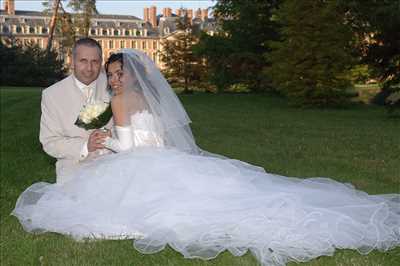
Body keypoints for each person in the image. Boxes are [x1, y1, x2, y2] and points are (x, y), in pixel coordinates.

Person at [12, 49, 400, 266]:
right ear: (73, 62)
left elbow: (128, 147)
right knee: (224, 198)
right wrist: (96, 140)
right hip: (167, 159)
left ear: (127, 74)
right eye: (104, 71)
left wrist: (105, 142)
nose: (107, 76)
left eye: (113, 71)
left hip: (140, 164)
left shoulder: (116, 98)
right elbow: (151, 136)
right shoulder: (145, 96)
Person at [39, 38, 112, 183]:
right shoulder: (52, 95)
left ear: (101, 62)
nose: (89, 68)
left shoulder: (113, 85)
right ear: (72, 61)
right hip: (74, 168)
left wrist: (113, 136)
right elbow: (49, 142)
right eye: (83, 61)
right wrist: (85, 146)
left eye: (95, 61)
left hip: (113, 163)